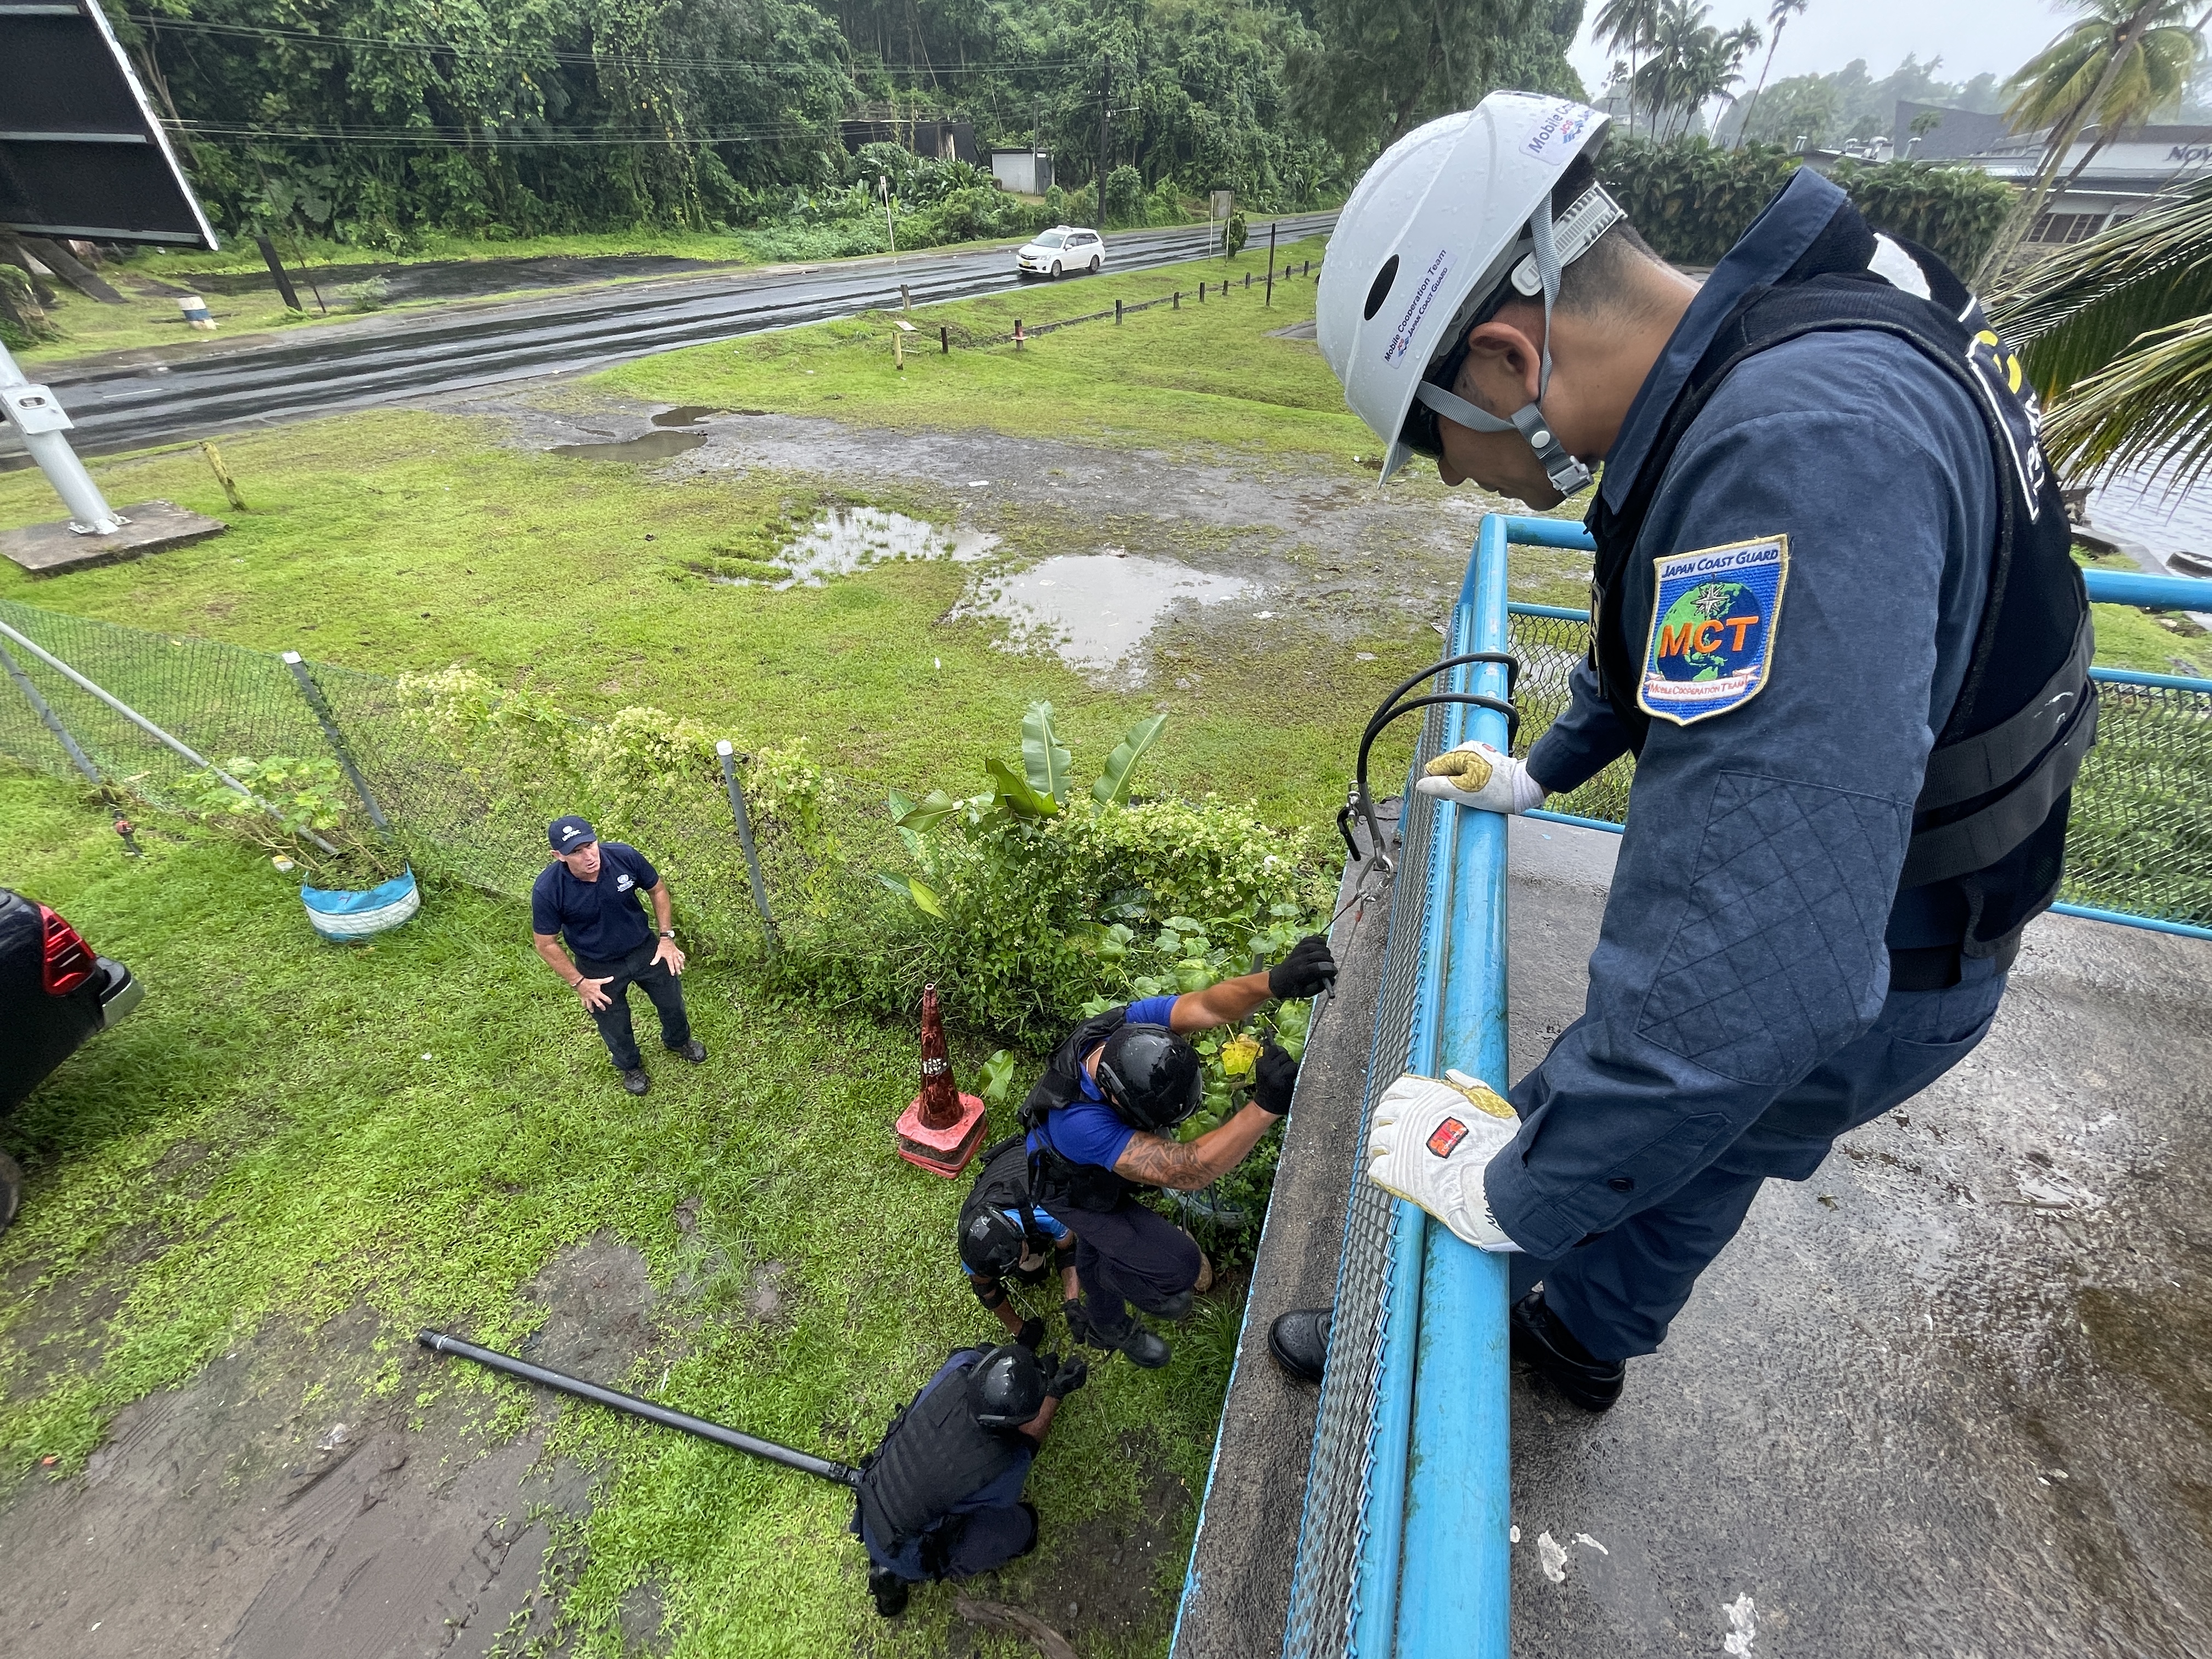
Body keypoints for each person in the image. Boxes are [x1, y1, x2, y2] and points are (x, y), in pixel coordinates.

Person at [1284, 92, 2091, 1412]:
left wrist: (1511, 1186)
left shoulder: (1804, 447)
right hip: (1915, 913)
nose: (1447, 477)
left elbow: (1756, 984)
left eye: (1434, 438)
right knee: (1688, 1139)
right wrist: (1545, 766)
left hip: (1899, 953)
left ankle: (1502, 1330)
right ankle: (1583, 1340)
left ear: (1501, 361)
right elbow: (1681, 616)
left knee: (1641, 1111)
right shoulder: (1787, 338)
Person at [1023, 935, 1338, 1368]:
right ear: (1118, 1104)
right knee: (1179, 1266)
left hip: (1101, 1170)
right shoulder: (1079, 1123)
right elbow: (1186, 1171)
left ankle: (1102, 1310)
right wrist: (1265, 1107)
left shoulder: (1123, 1028)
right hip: (1072, 1188)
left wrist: (1275, 981)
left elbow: (1208, 1006)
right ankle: (1115, 1315)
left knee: (1102, 1244)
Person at [853, 1341, 1088, 1618]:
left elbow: (980, 1352)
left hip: (872, 1499)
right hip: (904, 1551)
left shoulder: (960, 1365)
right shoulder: (1003, 1466)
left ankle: (885, 1561)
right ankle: (894, 1573)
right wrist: (1056, 1391)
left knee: (912, 1501)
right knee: (1024, 1526)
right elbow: (1029, 1443)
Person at [529, 815, 707, 1095]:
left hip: (646, 949)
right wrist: (579, 982)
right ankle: (630, 1065)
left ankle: (678, 1040)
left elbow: (657, 889)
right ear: (558, 856)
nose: (588, 856)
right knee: (614, 1022)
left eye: (589, 845)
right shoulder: (548, 890)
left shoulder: (624, 856)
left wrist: (666, 939)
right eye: (576, 852)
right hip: (597, 965)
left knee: (671, 1002)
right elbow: (545, 943)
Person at [958, 1133, 1081, 1348]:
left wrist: (1073, 1302)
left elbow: (1067, 1252)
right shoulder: (972, 1245)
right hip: (1000, 1172)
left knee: (1031, 1271)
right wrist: (1020, 1329)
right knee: (1027, 1272)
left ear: (1019, 1234)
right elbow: (985, 1288)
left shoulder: (1049, 1213)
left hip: (1033, 1161)